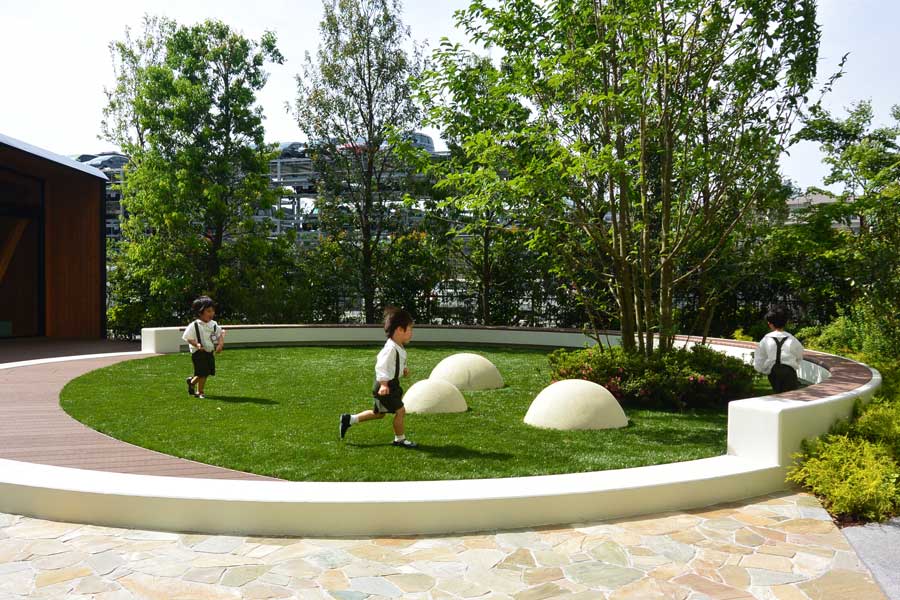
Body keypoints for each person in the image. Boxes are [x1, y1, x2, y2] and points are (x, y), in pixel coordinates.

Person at [339, 307, 418, 448]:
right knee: (400, 411)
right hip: (386, 386)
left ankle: (349, 419)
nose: (411, 333)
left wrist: (403, 369)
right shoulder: (390, 349)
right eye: (410, 329)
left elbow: (396, 363)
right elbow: (381, 366)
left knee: (379, 414)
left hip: (391, 384)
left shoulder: (398, 346)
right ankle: (400, 439)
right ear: (400, 330)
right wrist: (384, 384)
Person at [753, 305, 804, 393]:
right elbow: (799, 355)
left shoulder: (766, 339)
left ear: (770, 324)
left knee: (778, 394)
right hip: (789, 372)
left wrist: (761, 369)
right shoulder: (792, 339)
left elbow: (759, 357)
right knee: (791, 395)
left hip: (773, 373)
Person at [182, 296, 225, 399]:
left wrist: (220, 345)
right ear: (200, 312)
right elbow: (188, 338)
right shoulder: (194, 325)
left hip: (209, 352)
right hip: (198, 353)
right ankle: (200, 392)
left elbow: (220, 335)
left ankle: (191, 382)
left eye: (213, 311)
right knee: (202, 373)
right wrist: (196, 344)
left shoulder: (213, 325)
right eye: (208, 311)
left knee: (207, 372)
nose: (212, 313)